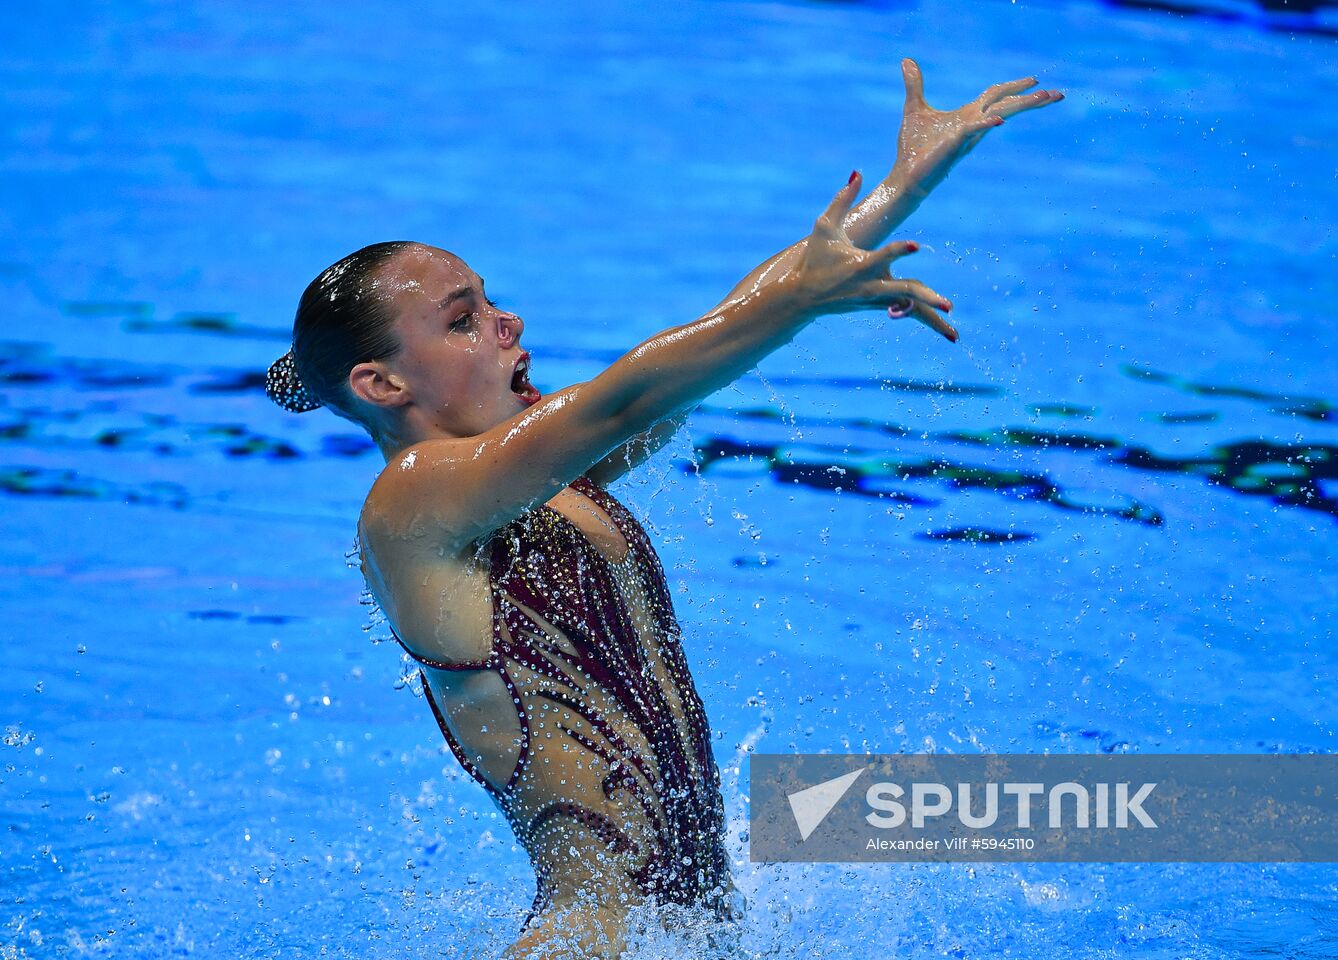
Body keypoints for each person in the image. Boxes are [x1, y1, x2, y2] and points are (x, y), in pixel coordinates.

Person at [265, 60, 1062, 960]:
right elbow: (630, 395)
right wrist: (799, 299)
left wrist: (900, 186)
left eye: (490, 300)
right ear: (381, 384)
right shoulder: (411, 500)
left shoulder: (541, 480)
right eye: (463, 320)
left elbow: (716, 337)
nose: (508, 321)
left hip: (686, 936)